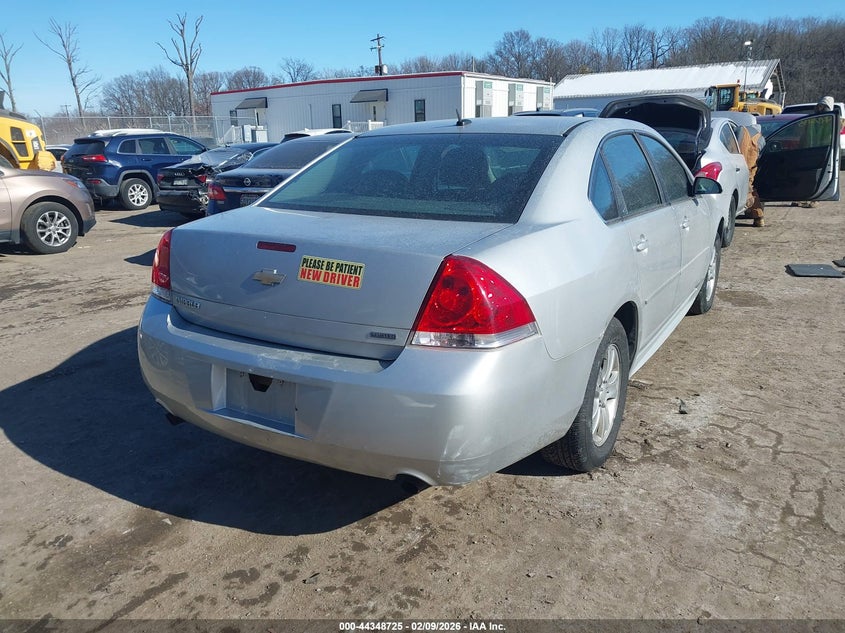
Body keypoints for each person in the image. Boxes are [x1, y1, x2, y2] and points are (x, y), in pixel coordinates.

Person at [792, 96, 834, 209]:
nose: (820, 108)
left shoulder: (832, 120)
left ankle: (815, 199)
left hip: (823, 151)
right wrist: (800, 148)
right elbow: (803, 134)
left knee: (817, 177)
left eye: (823, 107)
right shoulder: (811, 120)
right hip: (808, 150)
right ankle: (801, 197)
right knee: (805, 176)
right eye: (819, 106)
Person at [738, 122, 766, 227]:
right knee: (748, 185)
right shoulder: (759, 138)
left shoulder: (742, 131)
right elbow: (759, 156)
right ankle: (757, 216)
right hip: (750, 162)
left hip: (743, 162)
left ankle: (757, 215)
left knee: (747, 187)